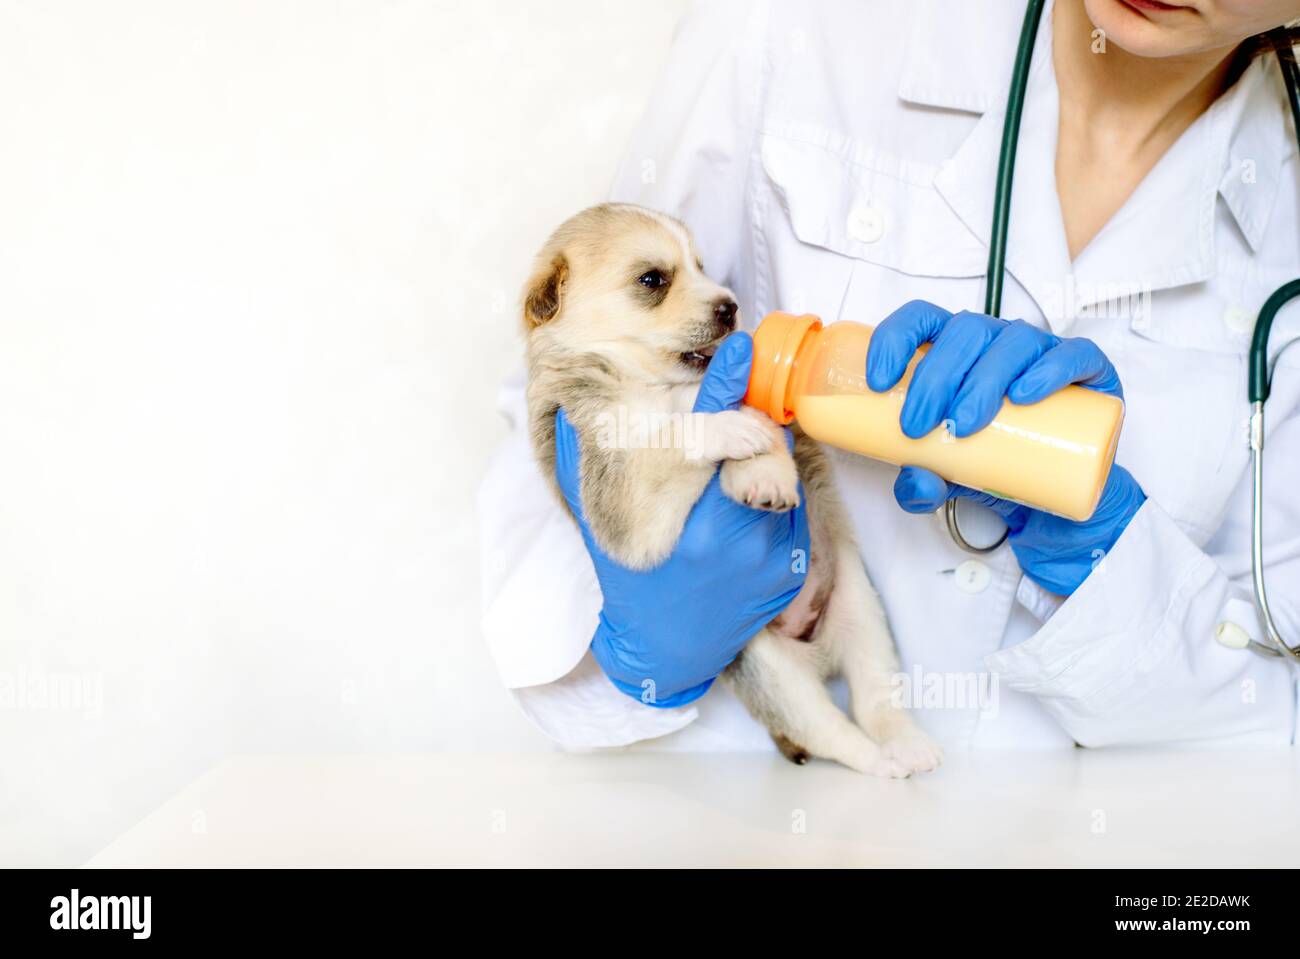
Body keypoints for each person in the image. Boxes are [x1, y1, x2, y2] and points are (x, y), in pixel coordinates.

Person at [479, 0, 1300, 752]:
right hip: (736, 821)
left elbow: (1269, 718)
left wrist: (1119, 579)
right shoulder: (790, 28)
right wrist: (643, 643)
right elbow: (576, 356)